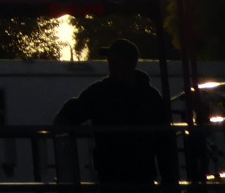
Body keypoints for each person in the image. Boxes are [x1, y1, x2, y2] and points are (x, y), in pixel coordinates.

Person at [55, 38, 178, 190]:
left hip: (127, 175)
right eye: (110, 61)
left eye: (115, 61)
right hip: (120, 176)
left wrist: (169, 178)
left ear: (129, 64)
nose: (110, 66)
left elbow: (164, 141)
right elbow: (164, 139)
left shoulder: (104, 93)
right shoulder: (147, 96)